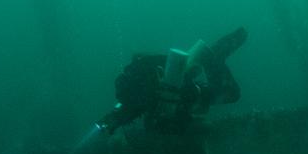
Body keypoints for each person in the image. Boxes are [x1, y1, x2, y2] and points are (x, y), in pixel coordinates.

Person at [99, 26, 248, 135]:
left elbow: (186, 120)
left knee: (231, 94)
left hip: (186, 94)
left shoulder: (140, 96)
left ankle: (214, 58)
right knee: (202, 76)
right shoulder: (141, 89)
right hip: (181, 87)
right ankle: (211, 57)